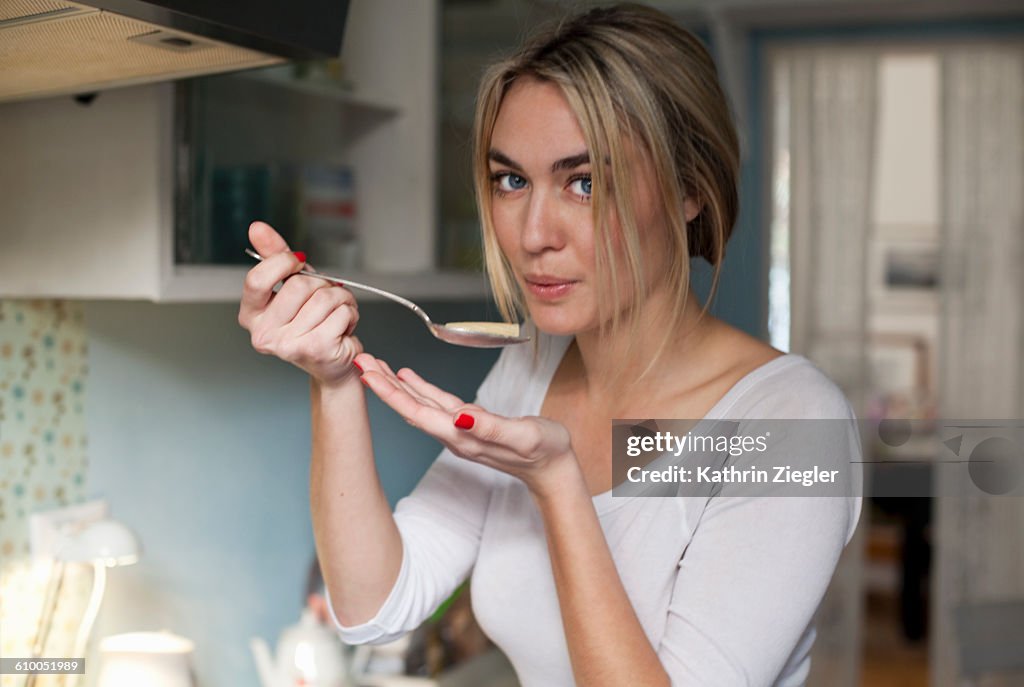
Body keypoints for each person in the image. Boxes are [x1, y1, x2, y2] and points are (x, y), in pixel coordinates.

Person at [238, 4, 862, 685]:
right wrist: (333, 381)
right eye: (512, 180)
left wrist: (558, 484)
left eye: (585, 183)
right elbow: (375, 605)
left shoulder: (793, 424)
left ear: (690, 188)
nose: (534, 233)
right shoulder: (531, 366)